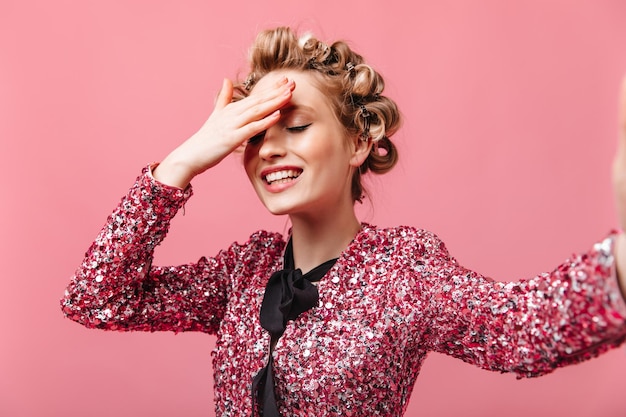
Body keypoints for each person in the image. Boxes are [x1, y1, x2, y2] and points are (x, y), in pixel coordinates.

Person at [61, 26, 626, 416]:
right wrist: (182, 162)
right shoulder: (242, 273)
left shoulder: (405, 270)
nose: (270, 150)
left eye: (297, 126)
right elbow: (95, 299)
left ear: (358, 142)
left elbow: (524, 330)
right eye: (253, 135)